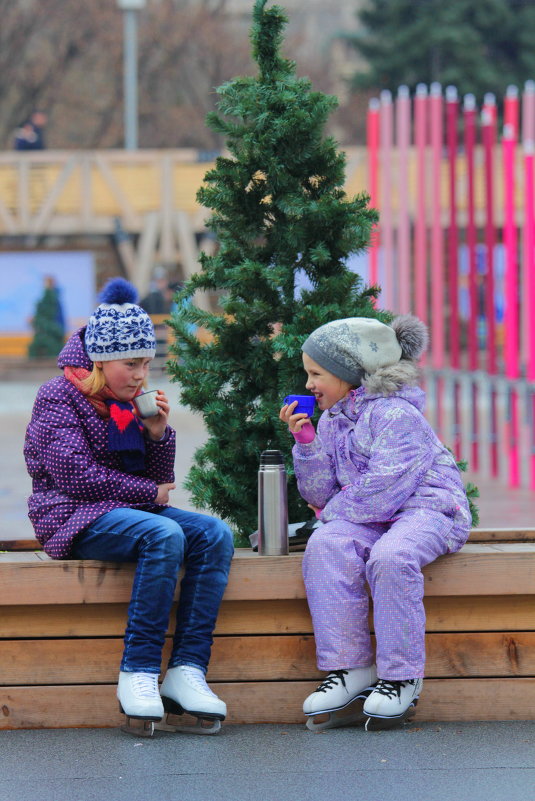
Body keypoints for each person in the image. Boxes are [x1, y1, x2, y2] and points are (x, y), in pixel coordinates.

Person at [24, 277, 234, 737]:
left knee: (215, 534)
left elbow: (158, 483)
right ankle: (138, 674)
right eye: (132, 363)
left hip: (122, 513)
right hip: (68, 515)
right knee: (164, 533)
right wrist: (147, 495)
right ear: (100, 359)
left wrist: (158, 433)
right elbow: (76, 478)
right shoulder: (57, 397)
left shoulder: (127, 404)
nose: (141, 374)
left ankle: (186, 672)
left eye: (147, 363)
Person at [279, 315, 472, 731]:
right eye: (307, 374)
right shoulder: (331, 421)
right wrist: (307, 444)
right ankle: (350, 669)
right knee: (327, 545)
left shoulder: (396, 415)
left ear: (349, 374)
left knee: (392, 556)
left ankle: (401, 677)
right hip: (374, 515)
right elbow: (318, 496)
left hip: (429, 509)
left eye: (316, 374)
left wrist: (328, 514)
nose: (309, 384)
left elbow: (383, 488)